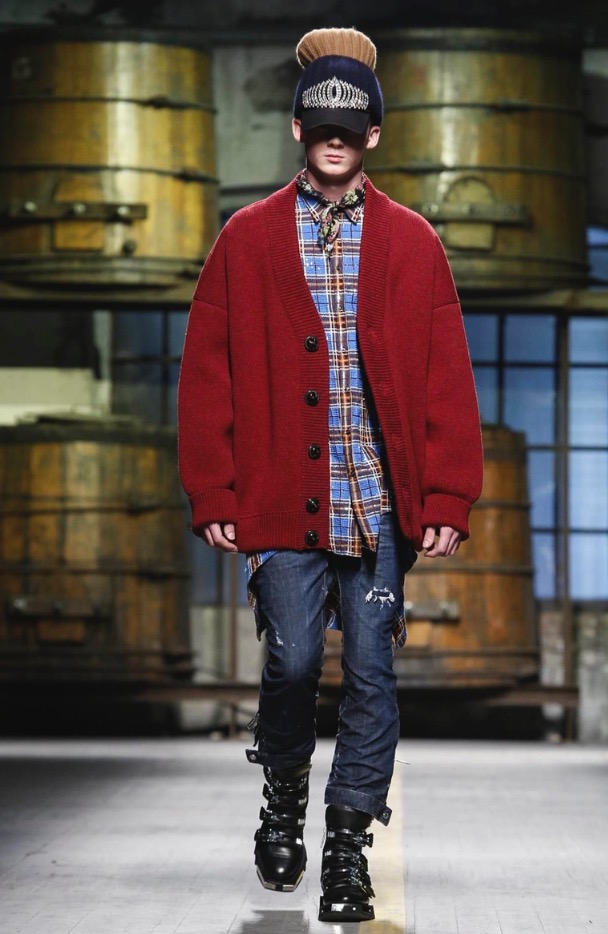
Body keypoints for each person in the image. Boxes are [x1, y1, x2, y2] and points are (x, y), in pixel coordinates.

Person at [178, 26, 483, 924]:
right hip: (278, 503)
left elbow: (446, 374)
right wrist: (214, 490)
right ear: (299, 131)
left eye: (350, 128)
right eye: (320, 126)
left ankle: (347, 851)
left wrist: (448, 494)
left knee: (373, 677)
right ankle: (283, 801)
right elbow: (207, 372)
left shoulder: (413, 242)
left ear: (374, 135)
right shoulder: (246, 238)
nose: (335, 140)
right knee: (294, 661)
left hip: (378, 505)